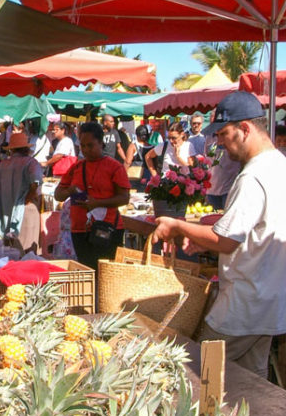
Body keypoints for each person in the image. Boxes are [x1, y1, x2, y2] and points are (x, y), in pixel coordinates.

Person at [152, 91, 286, 379]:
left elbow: (227, 240)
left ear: (245, 129)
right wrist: (200, 236)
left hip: (242, 307)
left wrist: (178, 226)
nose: (219, 142)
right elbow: (253, 232)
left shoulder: (252, 176)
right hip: (269, 303)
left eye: (224, 134)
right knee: (249, 388)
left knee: (194, 375)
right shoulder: (280, 165)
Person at [54, 121, 130, 271]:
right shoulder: (76, 167)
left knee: (105, 275)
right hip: (80, 230)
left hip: (107, 228)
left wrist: (97, 203)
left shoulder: (114, 167)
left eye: (90, 145)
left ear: (101, 143)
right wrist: (70, 191)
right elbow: (58, 195)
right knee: (87, 273)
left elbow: (124, 198)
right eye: (83, 146)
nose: (86, 150)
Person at [0, 131, 42, 253]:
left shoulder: (3, 165)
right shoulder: (31, 162)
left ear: (11, 150)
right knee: (27, 253)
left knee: (11, 253)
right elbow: (36, 180)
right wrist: (29, 196)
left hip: (7, 212)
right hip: (26, 210)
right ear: (26, 149)